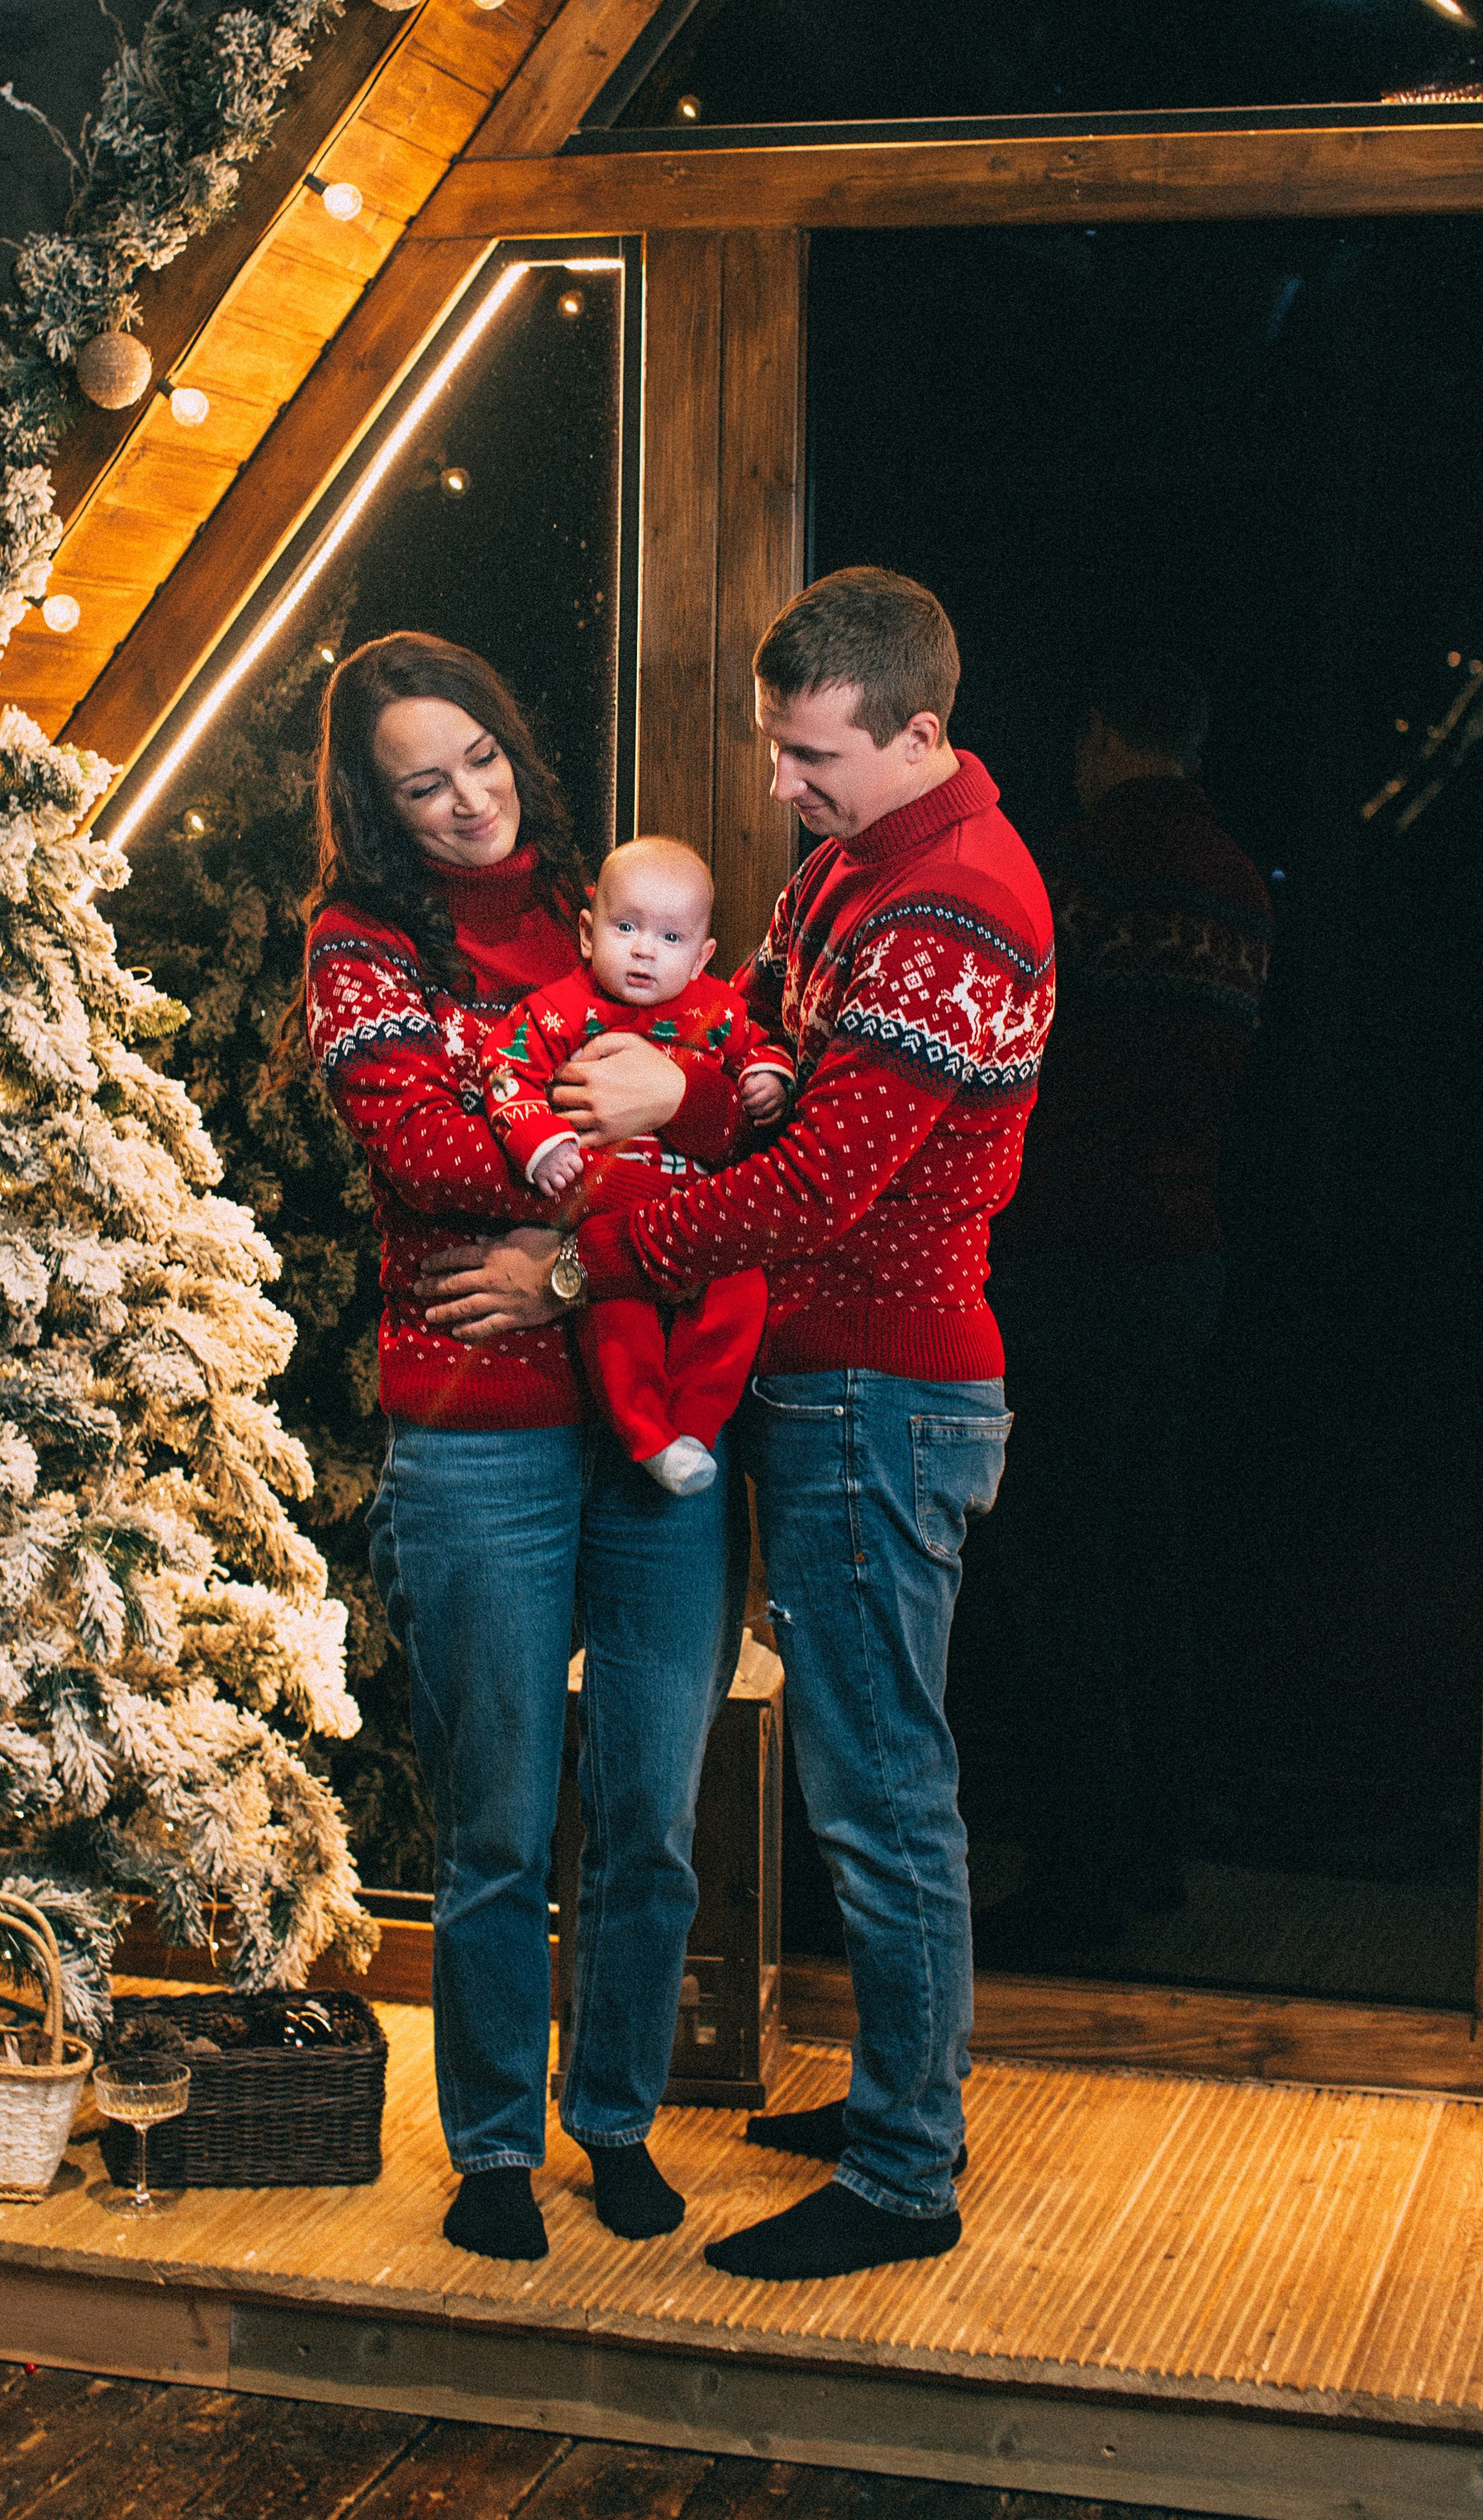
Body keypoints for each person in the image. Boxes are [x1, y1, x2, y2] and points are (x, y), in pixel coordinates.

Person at [425, 568, 1055, 2282]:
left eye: (809, 757)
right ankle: (893, 2098)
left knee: (877, 1787)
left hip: (883, 1389)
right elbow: (764, 1072)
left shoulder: (955, 912)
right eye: (779, 756)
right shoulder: (861, 862)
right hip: (821, 1381)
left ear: (917, 734)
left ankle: (904, 2171)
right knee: (866, 1767)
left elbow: (820, 1191)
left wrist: (585, 1260)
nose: (778, 787)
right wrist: (678, 1093)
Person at [302, 634, 748, 2267]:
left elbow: (739, 1121)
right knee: (495, 1819)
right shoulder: (361, 949)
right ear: (374, 805)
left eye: (480, 757)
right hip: (477, 1433)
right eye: (423, 784)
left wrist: (592, 1225)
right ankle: (493, 2140)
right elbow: (422, 1153)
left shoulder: (614, 902)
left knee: (647, 1806)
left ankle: (612, 2120)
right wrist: (632, 1138)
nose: (469, 801)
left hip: (659, 1443)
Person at [975, 654, 1273, 1966]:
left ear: (1102, 735)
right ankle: (1154, 1843)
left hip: (1073, 1247)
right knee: (1147, 1546)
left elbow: (1024, 1057)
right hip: (1185, 1247)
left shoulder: (1074, 872)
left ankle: (1076, 1872)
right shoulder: (1244, 888)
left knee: (1057, 1563)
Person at [483, 834, 787, 1498]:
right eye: (626, 928)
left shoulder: (718, 1010)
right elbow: (505, 1073)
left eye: (671, 939)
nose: (646, 949)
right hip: (615, 1219)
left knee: (742, 1295)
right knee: (619, 1317)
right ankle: (647, 1434)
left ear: (704, 955)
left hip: (704, 1220)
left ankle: (697, 1426)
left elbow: (759, 1052)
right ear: (589, 934)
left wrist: (768, 1077)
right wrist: (543, 1143)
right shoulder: (561, 1008)